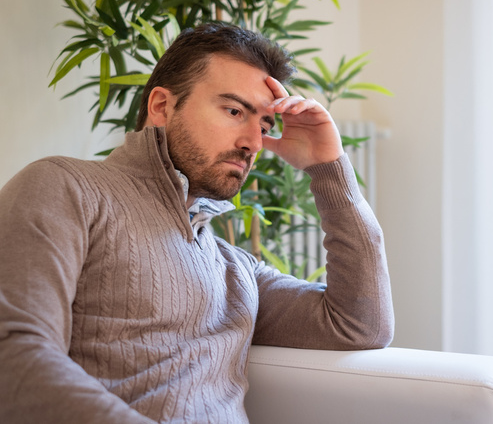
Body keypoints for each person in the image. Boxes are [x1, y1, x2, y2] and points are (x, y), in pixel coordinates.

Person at [0, 23, 394, 423]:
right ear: (161, 107)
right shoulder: (65, 188)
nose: (253, 143)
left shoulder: (234, 269)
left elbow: (359, 324)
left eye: (263, 126)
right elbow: (13, 357)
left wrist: (328, 168)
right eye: (235, 111)